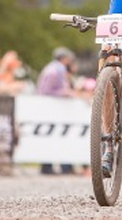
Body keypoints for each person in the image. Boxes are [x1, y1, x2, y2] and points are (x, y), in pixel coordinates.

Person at [36, 47, 78, 175]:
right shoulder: (58, 70)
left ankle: (48, 166)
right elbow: (48, 90)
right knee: (55, 135)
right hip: (50, 107)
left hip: (46, 106)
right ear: (64, 59)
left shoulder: (51, 68)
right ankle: (54, 167)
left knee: (49, 136)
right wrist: (67, 93)